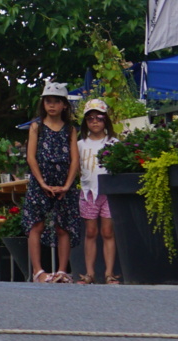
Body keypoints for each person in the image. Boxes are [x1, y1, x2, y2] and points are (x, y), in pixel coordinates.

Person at [24, 82, 82, 283]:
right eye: (48, 101)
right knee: (36, 224)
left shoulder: (70, 130)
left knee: (63, 226)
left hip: (64, 183)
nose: (52, 106)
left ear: (64, 105)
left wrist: (67, 185)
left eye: (57, 102)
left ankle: (62, 270)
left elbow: (75, 159)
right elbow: (31, 157)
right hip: (40, 182)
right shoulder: (36, 127)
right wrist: (41, 182)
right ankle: (38, 271)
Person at [77, 98, 118, 285]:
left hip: (108, 193)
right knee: (91, 232)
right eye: (90, 118)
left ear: (105, 120)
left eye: (99, 118)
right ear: (86, 122)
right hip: (87, 192)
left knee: (108, 232)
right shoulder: (80, 144)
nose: (95, 122)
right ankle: (90, 273)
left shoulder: (113, 142)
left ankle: (109, 273)